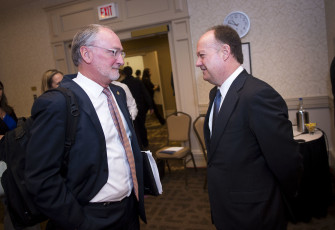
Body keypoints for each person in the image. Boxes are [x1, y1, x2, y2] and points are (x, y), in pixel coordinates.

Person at [25, 24, 146, 229]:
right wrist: (78, 222)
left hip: (128, 211)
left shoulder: (118, 94)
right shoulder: (57, 103)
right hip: (90, 217)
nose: (121, 60)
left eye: (121, 53)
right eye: (113, 52)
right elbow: (41, 178)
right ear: (86, 53)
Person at [196, 25, 303, 230]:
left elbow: (286, 160)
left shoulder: (258, 95)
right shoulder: (215, 94)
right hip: (226, 208)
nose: (197, 62)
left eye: (202, 55)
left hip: (255, 214)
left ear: (225, 52)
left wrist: (280, 201)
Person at [122, 66, 153, 149]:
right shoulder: (137, 81)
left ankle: (138, 145)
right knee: (142, 126)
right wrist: (151, 106)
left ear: (124, 73)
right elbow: (145, 93)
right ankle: (145, 143)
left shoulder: (122, 84)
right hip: (140, 107)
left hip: (129, 110)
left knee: (134, 128)